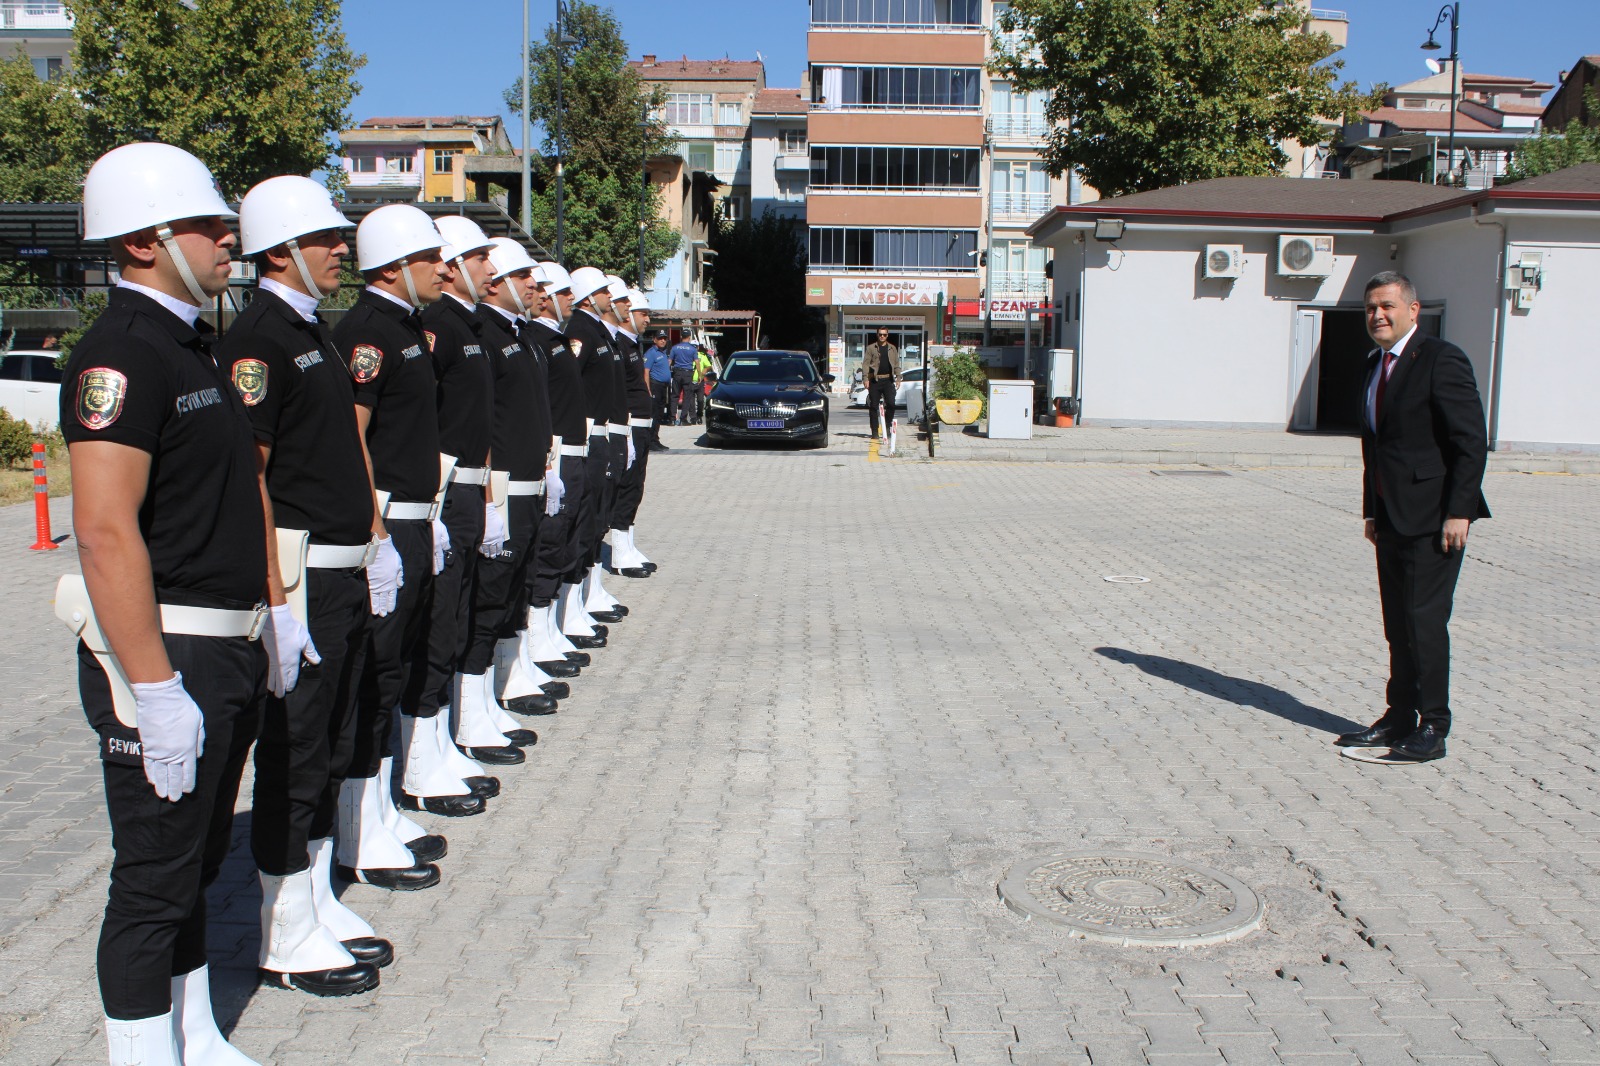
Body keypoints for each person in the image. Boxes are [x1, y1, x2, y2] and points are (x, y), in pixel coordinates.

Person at [61, 141, 263, 1065]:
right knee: (150, 882)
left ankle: (192, 1034)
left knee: (193, 866)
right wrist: (152, 688)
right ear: (146, 242)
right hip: (166, 654)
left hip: (220, 650)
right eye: (209, 225)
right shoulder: (120, 356)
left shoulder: (193, 345)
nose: (230, 239)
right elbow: (104, 532)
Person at [221, 176, 387, 998]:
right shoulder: (257, 341)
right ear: (280, 249)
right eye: (324, 240)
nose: (340, 251)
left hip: (343, 574)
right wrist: (276, 602)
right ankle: (281, 928)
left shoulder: (310, 332)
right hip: (303, 584)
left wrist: (377, 541)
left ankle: (314, 898)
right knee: (294, 755)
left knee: (326, 744)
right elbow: (249, 476)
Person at [335, 204, 483, 886]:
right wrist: (376, 535)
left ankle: (383, 803)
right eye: (431, 260)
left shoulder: (407, 329)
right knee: (376, 674)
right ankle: (357, 828)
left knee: (399, 666)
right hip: (388, 523)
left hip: (417, 519)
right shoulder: (368, 333)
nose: (443, 270)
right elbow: (354, 442)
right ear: (393, 266)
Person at [1337, 271, 1489, 764]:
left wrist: (1459, 512)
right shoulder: (1373, 365)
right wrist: (1371, 511)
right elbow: (1375, 447)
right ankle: (1398, 715)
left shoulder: (1442, 360)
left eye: (1386, 306)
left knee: (1425, 624)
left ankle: (1434, 726)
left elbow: (1469, 443)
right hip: (1391, 518)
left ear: (1413, 309)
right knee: (1397, 624)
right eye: (1370, 309)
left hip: (1434, 519)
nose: (1377, 316)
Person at [419, 216, 522, 772]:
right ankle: (424, 753)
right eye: (480, 258)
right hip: (439, 495)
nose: (491, 267)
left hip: (470, 491)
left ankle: (447, 737)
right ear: (454, 264)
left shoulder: (470, 328)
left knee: (462, 614)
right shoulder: (438, 326)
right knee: (440, 625)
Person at [460, 237, 559, 730]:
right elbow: (483, 423)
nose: (533, 286)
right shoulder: (484, 333)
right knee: (489, 598)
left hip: (527, 484)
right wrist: (490, 499)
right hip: (500, 489)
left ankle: (498, 688)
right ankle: (475, 707)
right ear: (496, 284)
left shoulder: (517, 336)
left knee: (513, 590)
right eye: (523, 278)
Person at [607, 288, 657, 579]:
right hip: (628, 426)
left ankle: (627, 545)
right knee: (626, 488)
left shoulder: (632, 344)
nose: (647, 319)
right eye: (643, 314)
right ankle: (619, 552)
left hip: (640, 425)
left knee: (635, 487)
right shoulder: (619, 344)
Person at [863, 327, 900, 441]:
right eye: (880, 334)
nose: (882, 336)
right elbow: (865, 364)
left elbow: (897, 364)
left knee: (891, 404)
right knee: (873, 407)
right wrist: (865, 378)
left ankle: (887, 425)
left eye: (884, 334)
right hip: (875, 380)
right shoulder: (871, 348)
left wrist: (898, 377)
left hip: (888, 380)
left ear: (887, 335)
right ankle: (874, 431)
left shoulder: (892, 348)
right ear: (877, 335)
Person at [645, 331, 671, 450]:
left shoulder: (664, 352)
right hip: (655, 386)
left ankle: (655, 439)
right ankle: (651, 441)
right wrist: (648, 389)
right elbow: (646, 371)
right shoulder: (651, 353)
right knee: (654, 414)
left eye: (664, 338)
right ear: (654, 339)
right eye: (660, 338)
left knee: (660, 414)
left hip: (663, 386)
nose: (663, 341)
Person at [668, 333, 698, 424]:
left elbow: (669, 361)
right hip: (688, 374)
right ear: (689, 338)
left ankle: (672, 418)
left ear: (681, 337)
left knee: (674, 396)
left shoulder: (675, 347)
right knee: (687, 397)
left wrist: (666, 373)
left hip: (677, 373)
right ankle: (683, 419)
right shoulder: (693, 349)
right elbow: (697, 363)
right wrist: (700, 375)